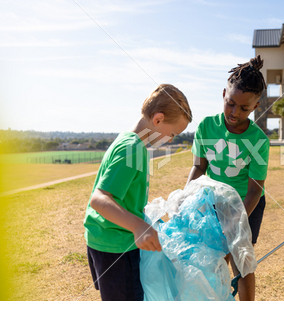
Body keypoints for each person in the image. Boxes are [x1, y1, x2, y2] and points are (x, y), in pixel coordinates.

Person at [84, 84, 192, 301]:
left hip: (107, 240)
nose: (171, 140)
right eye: (172, 134)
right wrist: (138, 226)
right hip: (117, 248)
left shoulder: (129, 141)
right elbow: (99, 199)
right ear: (158, 119)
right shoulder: (132, 148)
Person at [186, 55, 270, 301]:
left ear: (256, 107)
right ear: (224, 93)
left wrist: (237, 220)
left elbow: (255, 189)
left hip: (246, 204)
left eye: (244, 108)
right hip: (214, 201)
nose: (235, 112)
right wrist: (185, 197)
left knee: (241, 259)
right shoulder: (206, 127)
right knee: (216, 257)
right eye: (230, 103)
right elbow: (199, 168)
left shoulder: (259, 141)